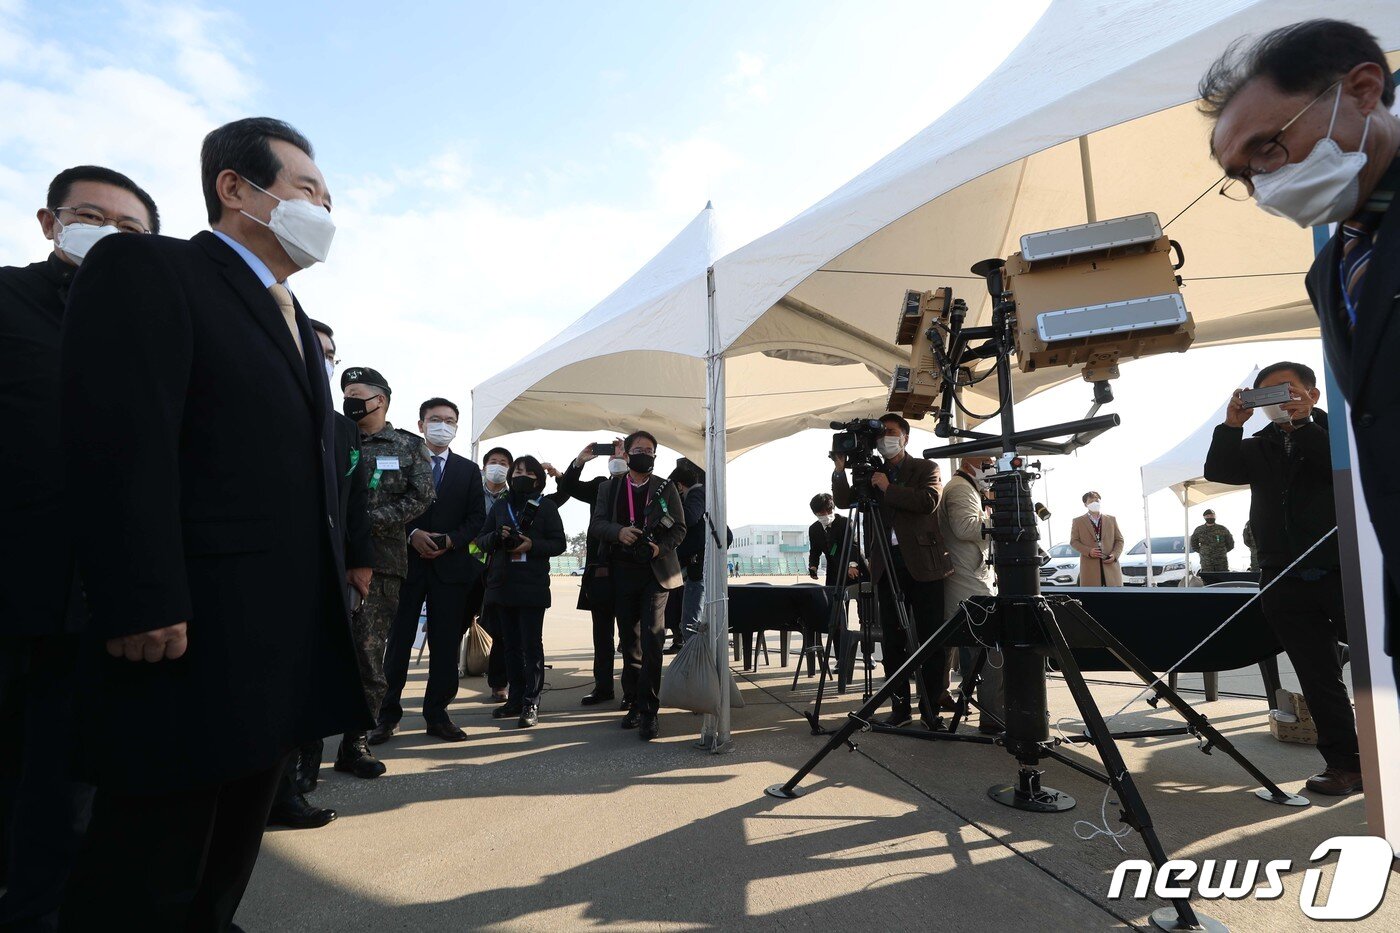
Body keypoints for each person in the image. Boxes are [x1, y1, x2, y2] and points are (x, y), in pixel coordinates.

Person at [58, 118, 369, 930]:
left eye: (330, 199)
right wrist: (141, 595)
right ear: (236, 189)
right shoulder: (153, 268)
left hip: (274, 644)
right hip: (186, 632)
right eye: (308, 191)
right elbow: (120, 440)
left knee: (226, 858)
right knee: (150, 866)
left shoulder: (295, 319)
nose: (324, 211)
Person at [1200, 17, 1400, 685]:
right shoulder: (1332, 268)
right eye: (1243, 175)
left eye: (1268, 149)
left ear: (1362, 90)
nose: (1263, 185)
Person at [0, 165, 158, 931]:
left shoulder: (154, 334)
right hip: (12, 587)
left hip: (95, 609)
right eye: (91, 216)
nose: (109, 235)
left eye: (131, 229)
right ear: (49, 221)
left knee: (63, 798)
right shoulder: (5, 300)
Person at [1204, 361, 1361, 796]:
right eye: (1268, 395)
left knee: (1376, 670)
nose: (1280, 401)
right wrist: (1232, 425)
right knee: (1316, 673)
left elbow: (1340, 469)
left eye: (1287, 391)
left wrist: (1303, 424)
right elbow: (1220, 470)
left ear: (1313, 393)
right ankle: (1345, 764)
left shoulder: (1341, 435)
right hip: (1282, 576)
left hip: (1345, 569)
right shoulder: (1259, 445)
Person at [265, 319, 374, 830]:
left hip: (325, 572)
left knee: (308, 676)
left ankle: (290, 787)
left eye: (327, 352)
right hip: (260, 568)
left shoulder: (342, 428)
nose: (320, 358)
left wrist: (360, 563)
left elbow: (354, 504)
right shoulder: (256, 403)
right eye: (311, 347)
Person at [337, 366, 435, 777]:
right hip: (329, 558)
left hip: (381, 563)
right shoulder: (333, 437)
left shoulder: (407, 446)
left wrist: (364, 519)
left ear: (381, 399)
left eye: (357, 392)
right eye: (345, 392)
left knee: (367, 656)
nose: (349, 399)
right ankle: (303, 755)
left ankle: (354, 745)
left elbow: (423, 495)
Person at [372, 398, 486, 745]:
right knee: (398, 644)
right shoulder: (399, 461)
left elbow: (477, 520)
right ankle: (385, 715)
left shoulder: (469, 471)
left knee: (444, 645)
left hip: (450, 571)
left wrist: (450, 541)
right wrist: (412, 534)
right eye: (435, 419)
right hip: (405, 567)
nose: (442, 425)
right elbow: (384, 504)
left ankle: (437, 715)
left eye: (449, 420)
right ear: (421, 424)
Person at [833, 414, 953, 728]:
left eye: (892, 432)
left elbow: (928, 501)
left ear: (905, 437)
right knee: (892, 641)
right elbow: (845, 501)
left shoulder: (926, 468)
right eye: (882, 434)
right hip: (886, 565)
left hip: (924, 565)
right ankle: (900, 709)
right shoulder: (873, 472)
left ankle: (931, 710)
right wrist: (839, 470)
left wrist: (887, 488)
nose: (886, 438)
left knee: (931, 638)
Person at [590, 430, 686, 740]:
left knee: (653, 639)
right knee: (629, 641)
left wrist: (661, 547)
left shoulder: (666, 487)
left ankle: (649, 710)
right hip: (622, 570)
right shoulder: (610, 487)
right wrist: (619, 532)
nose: (644, 452)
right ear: (626, 454)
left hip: (655, 572)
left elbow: (680, 528)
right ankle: (632, 699)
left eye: (649, 449)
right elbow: (597, 524)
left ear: (655, 455)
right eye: (638, 448)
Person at [475, 456, 567, 727]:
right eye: (517, 471)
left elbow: (559, 543)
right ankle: (514, 699)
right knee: (510, 646)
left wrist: (531, 545)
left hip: (532, 586)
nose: (520, 475)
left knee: (531, 645)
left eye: (527, 472)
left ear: (538, 479)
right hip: (503, 584)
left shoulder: (546, 506)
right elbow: (481, 538)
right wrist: (496, 538)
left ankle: (531, 702)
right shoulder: (502, 506)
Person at [542, 441, 622, 706]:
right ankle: (603, 687)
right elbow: (568, 489)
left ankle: (633, 693)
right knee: (602, 633)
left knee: (633, 636)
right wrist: (579, 462)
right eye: (615, 452)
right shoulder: (601, 484)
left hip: (633, 570)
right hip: (600, 569)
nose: (617, 456)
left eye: (622, 451)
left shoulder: (647, 488)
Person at [937, 457, 1004, 733]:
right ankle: (993, 714)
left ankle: (939, 694)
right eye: (986, 462)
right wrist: (1001, 522)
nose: (990, 467)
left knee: (951, 642)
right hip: (968, 581)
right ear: (970, 463)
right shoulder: (962, 489)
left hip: (966, 575)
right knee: (991, 644)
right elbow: (965, 528)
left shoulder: (965, 487)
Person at [473, 445, 514, 703]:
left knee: (499, 629)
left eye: (504, 463)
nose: (498, 466)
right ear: (485, 465)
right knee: (453, 624)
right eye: (494, 461)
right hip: (469, 566)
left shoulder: (513, 499)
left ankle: (499, 682)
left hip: (498, 571)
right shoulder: (471, 493)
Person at [667, 463, 708, 653]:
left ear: (679, 486)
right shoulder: (698, 494)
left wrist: (674, 507)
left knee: (689, 622)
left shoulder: (697, 494)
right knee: (689, 619)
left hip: (698, 565)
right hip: (693, 564)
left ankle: (694, 661)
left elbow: (690, 517)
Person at [807, 492, 866, 587]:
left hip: (854, 567)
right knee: (833, 598)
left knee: (861, 597)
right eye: (822, 512)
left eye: (828, 510)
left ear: (833, 508)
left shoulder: (845, 522)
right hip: (834, 571)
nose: (826, 514)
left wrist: (852, 565)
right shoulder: (814, 529)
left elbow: (853, 545)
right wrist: (813, 566)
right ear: (815, 513)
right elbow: (814, 551)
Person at [1070, 492, 1124, 587]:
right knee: (1092, 598)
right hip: (1089, 568)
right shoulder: (1078, 521)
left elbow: (1119, 540)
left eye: (1097, 500)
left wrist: (1115, 555)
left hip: (1110, 566)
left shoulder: (1111, 519)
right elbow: (1074, 541)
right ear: (1085, 504)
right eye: (1091, 501)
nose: (1095, 503)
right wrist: (1089, 551)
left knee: (1115, 598)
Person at [1190, 509, 1235, 573]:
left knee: (1223, 579)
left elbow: (1231, 544)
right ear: (1204, 517)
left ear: (1215, 516)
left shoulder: (1222, 529)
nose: (1210, 517)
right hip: (1206, 563)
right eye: (1207, 516)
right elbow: (1194, 544)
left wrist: (1221, 551)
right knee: (1208, 580)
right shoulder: (1199, 530)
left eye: (1211, 515)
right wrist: (1203, 552)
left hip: (1221, 562)